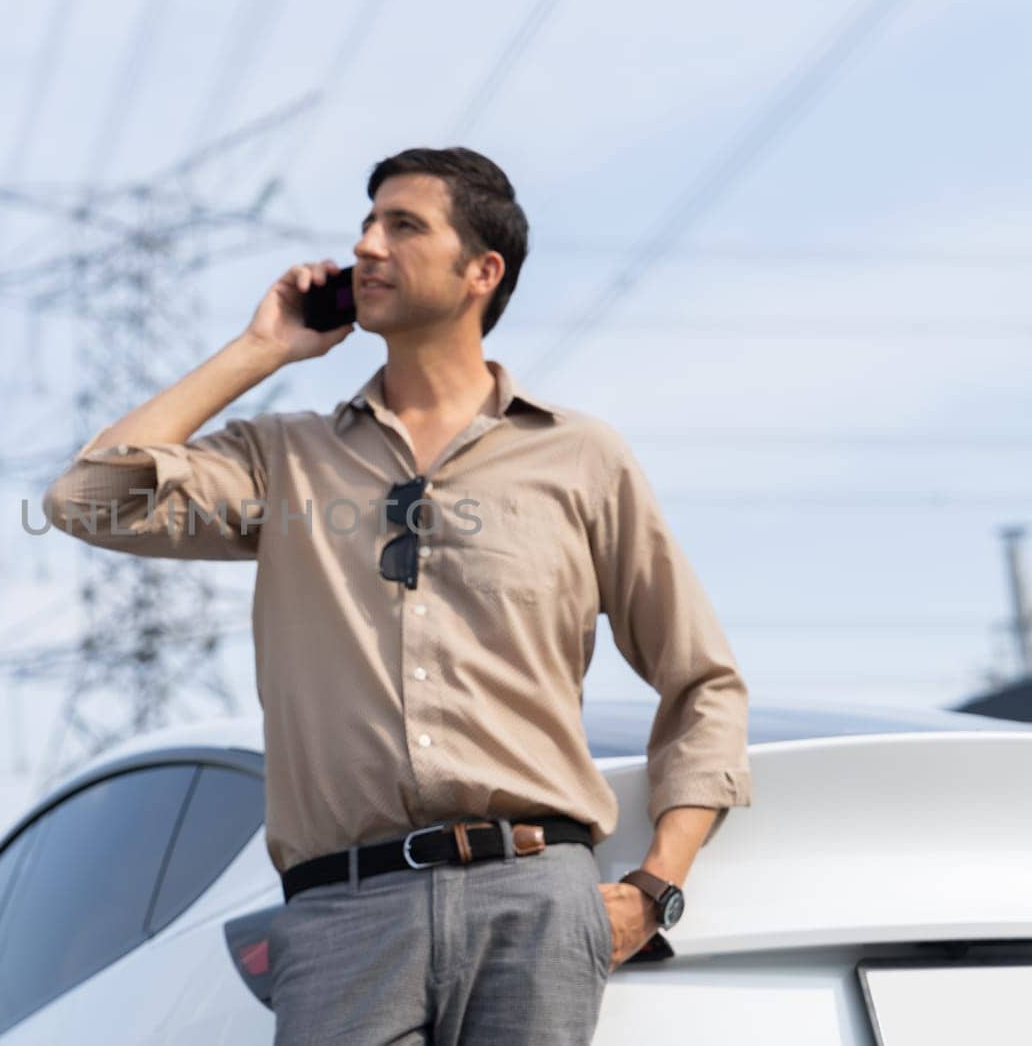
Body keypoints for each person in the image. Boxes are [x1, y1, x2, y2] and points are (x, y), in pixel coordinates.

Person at [40, 146, 752, 1044]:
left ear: (480, 273)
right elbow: (86, 499)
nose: (364, 246)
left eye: (402, 226)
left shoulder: (582, 459)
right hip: (342, 919)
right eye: (365, 225)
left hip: (533, 902)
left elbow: (705, 683)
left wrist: (654, 886)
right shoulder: (284, 457)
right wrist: (262, 349)